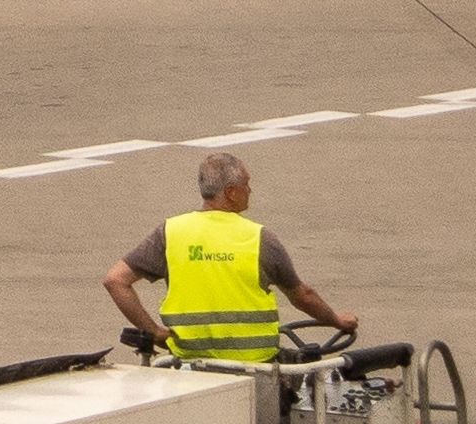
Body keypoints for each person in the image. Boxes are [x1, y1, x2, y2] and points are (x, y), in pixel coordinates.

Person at [108, 154, 353, 363]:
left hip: (190, 365)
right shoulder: (258, 238)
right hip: (255, 366)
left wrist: (154, 333)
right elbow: (303, 296)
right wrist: (337, 321)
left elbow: (115, 280)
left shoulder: (170, 232)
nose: (250, 190)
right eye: (246, 184)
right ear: (231, 192)